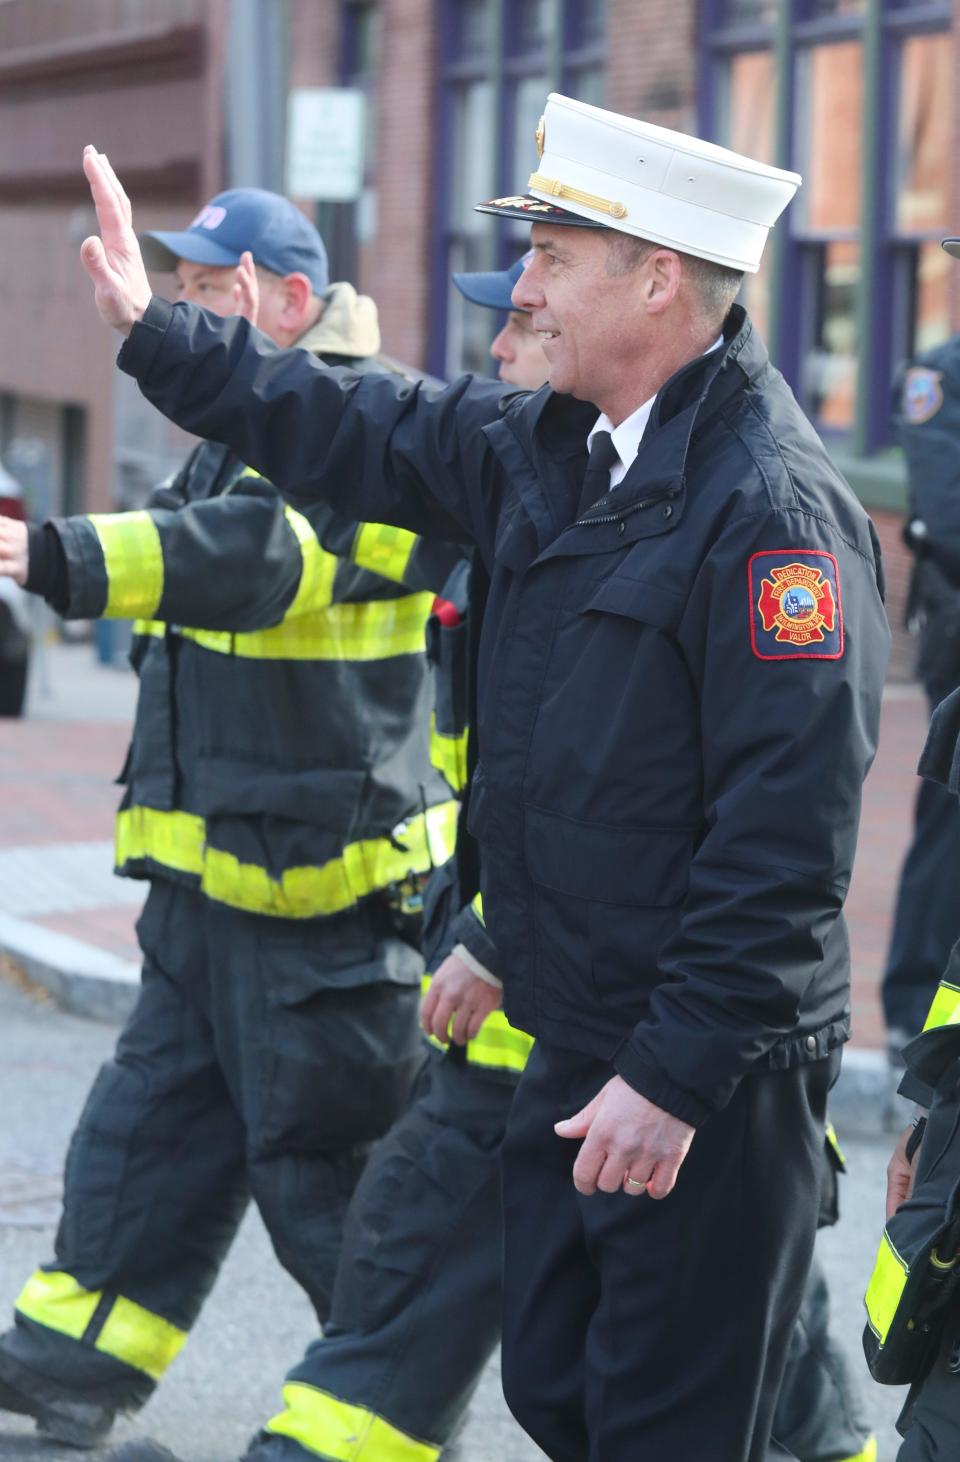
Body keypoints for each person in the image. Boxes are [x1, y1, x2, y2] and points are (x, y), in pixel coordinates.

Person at [77, 90, 891, 1462]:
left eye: (554, 258)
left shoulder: (773, 517)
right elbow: (350, 422)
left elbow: (784, 848)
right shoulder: (551, 446)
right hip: (574, 1028)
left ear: (658, 279)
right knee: (563, 1390)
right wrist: (164, 335)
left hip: (698, 1071)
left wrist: (675, 1078)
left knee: (664, 1425)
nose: (524, 288)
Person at [0, 188, 460, 1452]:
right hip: (214, 899)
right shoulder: (253, 417)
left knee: (327, 1185)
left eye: (206, 293)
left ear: (289, 301)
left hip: (320, 913)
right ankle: (66, 1361)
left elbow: (252, 561)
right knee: (146, 1140)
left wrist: (56, 557)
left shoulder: (365, 434)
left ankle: (381, 1414)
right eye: (186, 291)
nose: (186, 313)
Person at [881, 336, 960, 1060]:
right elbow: (949, 507)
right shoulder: (941, 375)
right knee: (953, 812)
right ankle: (914, 1008)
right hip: (958, 620)